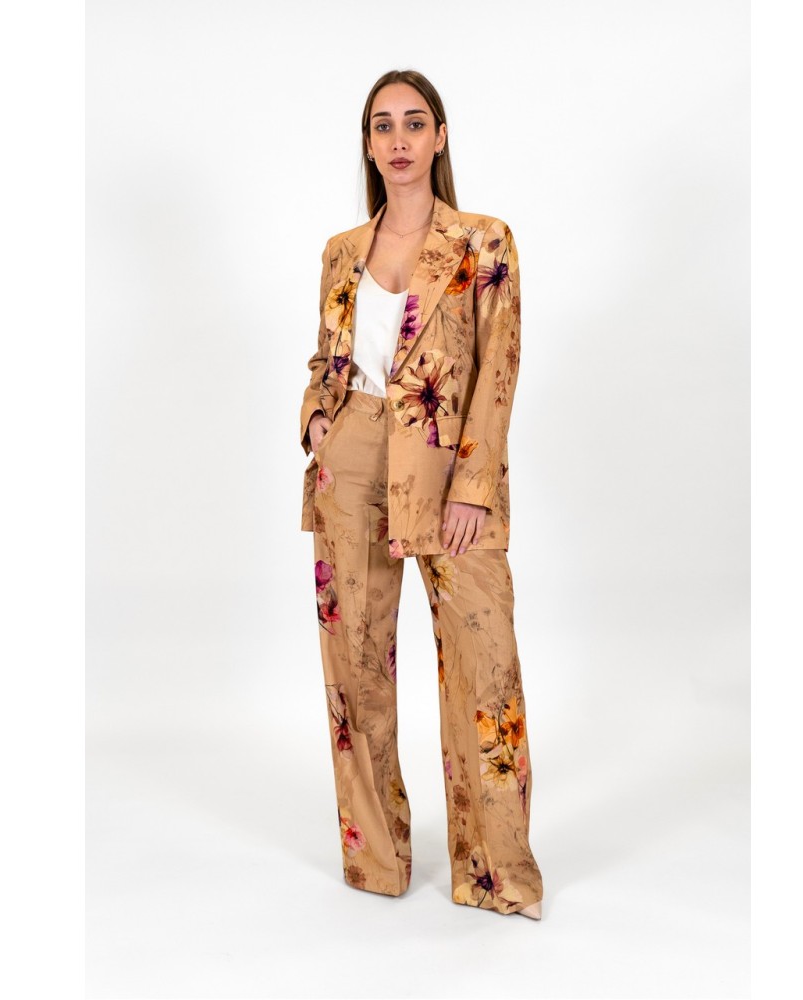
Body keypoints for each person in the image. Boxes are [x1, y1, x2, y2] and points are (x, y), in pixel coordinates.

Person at [298, 69, 544, 919]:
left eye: (414, 122)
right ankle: (377, 863)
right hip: (351, 463)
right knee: (357, 669)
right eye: (382, 125)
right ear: (369, 145)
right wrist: (316, 420)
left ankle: (495, 874)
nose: (398, 139)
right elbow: (327, 355)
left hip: (447, 471)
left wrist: (473, 485)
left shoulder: (484, 242)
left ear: (439, 136)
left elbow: (499, 371)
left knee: (484, 670)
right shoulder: (341, 250)